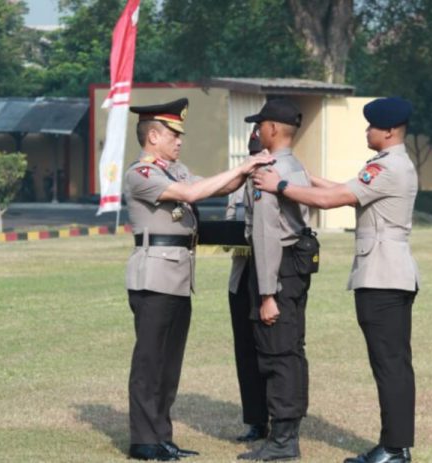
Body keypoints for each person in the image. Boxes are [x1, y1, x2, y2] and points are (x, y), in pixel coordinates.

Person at [253, 96, 419, 463]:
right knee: (392, 362)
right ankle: (395, 445)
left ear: (389, 131)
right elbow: (338, 190)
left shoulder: (387, 168)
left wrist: (280, 186)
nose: (367, 130)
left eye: (372, 126)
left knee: (389, 364)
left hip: (383, 277)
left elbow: (333, 200)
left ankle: (394, 448)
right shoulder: (389, 165)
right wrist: (302, 176)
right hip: (389, 273)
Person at [123, 97, 273, 461]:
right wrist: (248, 163)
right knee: (150, 361)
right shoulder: (141, 174)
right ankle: (143, 439)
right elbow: (192, 194)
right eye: (173, 134)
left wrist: (247, 169)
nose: (179, 141)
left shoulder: (176, 169)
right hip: (153, 276)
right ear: (153, 135)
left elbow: (214, 187)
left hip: (176, 276)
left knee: (169, 363)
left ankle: (161, 436)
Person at [237, 99, 314, 462]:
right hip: (296, 269)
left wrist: (267, 293)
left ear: (270, 129)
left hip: (278, 270)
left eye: (260, 125)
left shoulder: (267, 173)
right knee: (292, 350)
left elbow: (266, 235)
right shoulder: (295, 168)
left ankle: (283, 441)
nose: (257, 131)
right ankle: (288, 432)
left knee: (276, 352)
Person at [226, 125, 270, 443]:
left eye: (262, 155)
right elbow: (230, 229)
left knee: (272, 349)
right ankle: (256, 420)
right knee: (246, 350)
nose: (257, 161)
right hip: (242, 275)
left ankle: (281, 418)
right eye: (253, 155)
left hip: (271, 279)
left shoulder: (281, 182)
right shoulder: (236, 185)